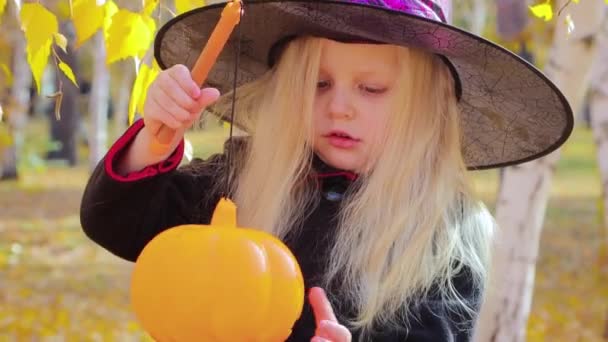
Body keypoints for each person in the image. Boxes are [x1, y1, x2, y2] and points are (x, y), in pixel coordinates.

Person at [79, 0, 573, 341]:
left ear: (424, 107)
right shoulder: (241, 179)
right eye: (318, 84)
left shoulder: (445, 235)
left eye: (371, 89)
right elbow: (118, 225)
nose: (340, 107)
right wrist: (156, 138)